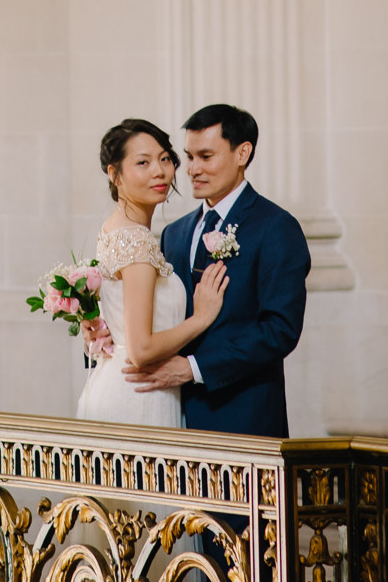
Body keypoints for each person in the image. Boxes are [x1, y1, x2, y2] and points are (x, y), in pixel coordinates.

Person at [126, 103, 310, 436]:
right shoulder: (175, 233)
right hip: (170, 415)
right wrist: (103, 336)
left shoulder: (276, 228)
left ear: (242, 153)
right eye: (189, 157)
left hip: (242, 419)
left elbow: (279, 330)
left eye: (206, 156)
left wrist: (194, 369)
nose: (193, 169)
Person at [77, 117, 229, 428]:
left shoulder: (115, 228)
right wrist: (200, 318)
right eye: (142, 162)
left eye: (164, 159)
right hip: (138, 395)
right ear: (114, 174)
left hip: (118, 382)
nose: (159, 171)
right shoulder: (136, 241)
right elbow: (141, 349)